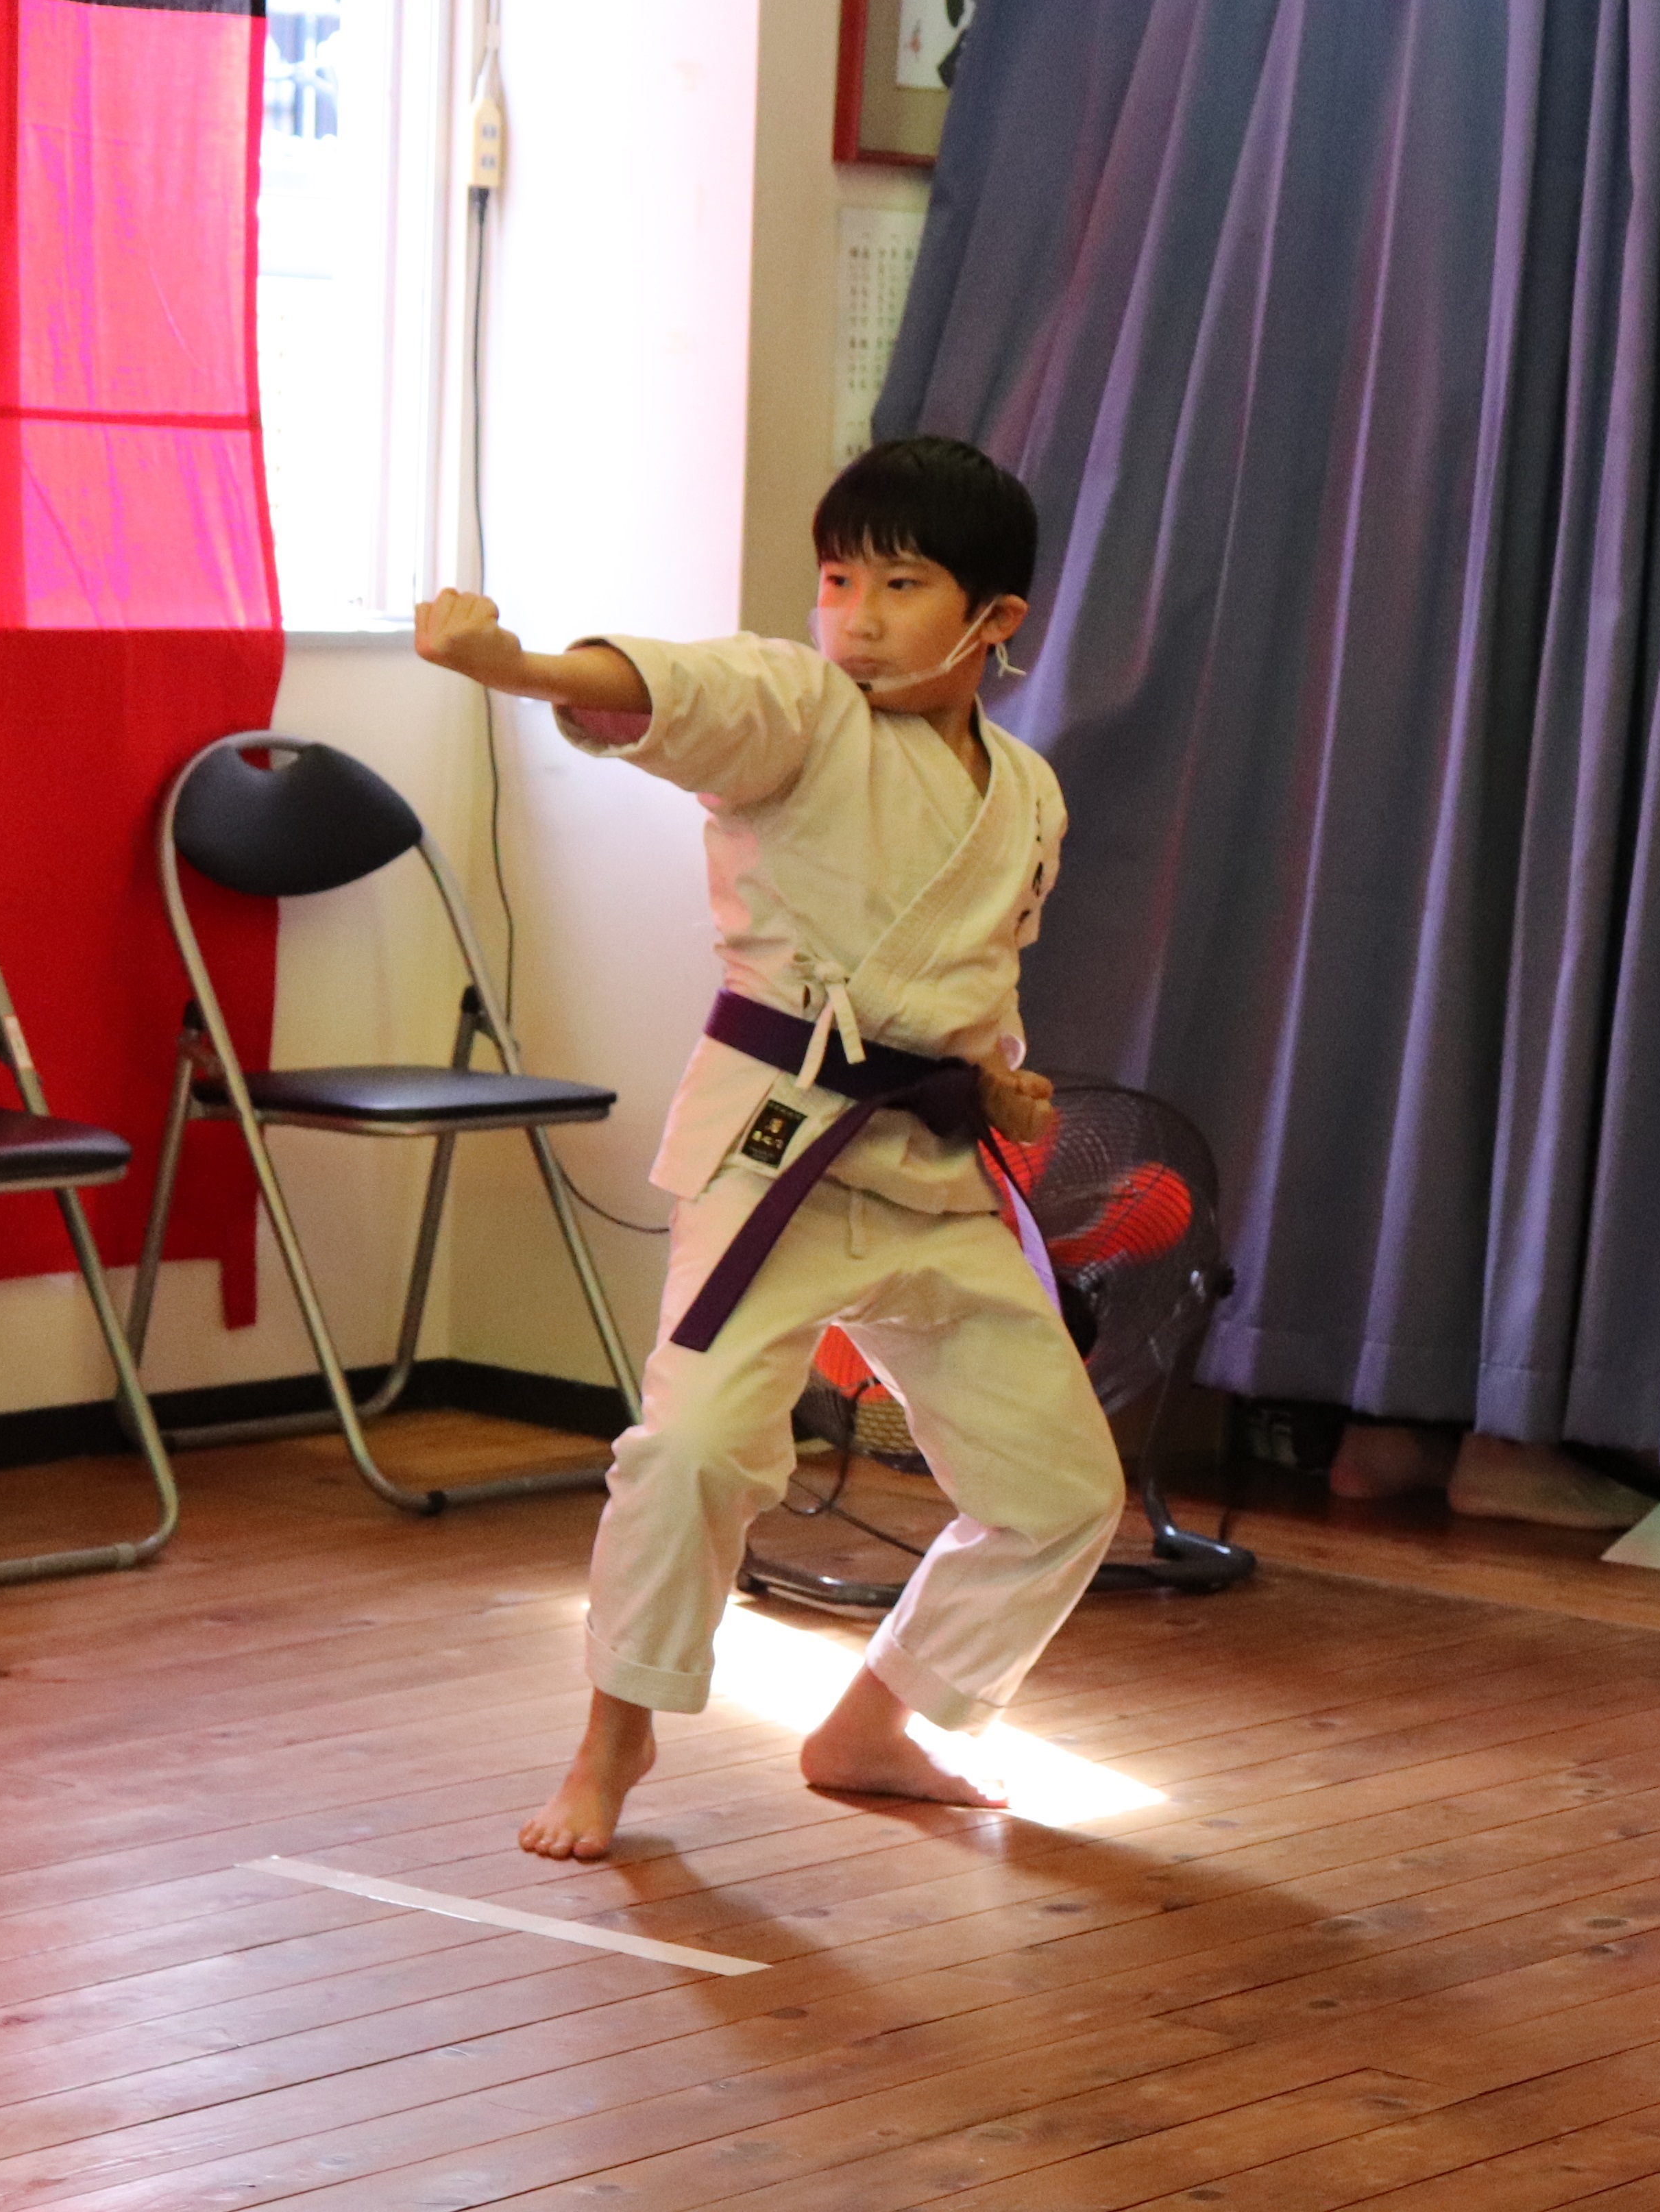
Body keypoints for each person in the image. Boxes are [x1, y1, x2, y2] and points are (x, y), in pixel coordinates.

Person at [415, 434, 1128, 1863]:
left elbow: (973, 980)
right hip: (778, 1155)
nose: (855, 616)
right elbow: (683, 689)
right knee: (691, 1448)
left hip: (935, 1173)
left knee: (1064, 1495)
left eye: (901, 585)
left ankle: (878, 1724)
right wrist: (519, 667)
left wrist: (1001, 1084)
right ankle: (614, 1736)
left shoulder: (1029, 791)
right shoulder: (804, 712)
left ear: (995, 618)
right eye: (838, 579)